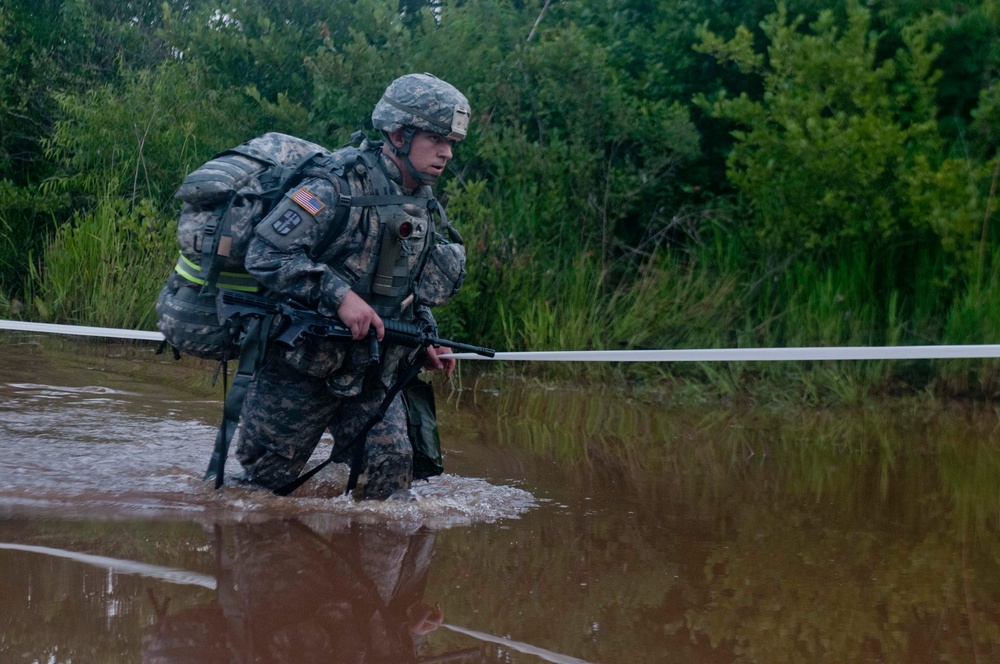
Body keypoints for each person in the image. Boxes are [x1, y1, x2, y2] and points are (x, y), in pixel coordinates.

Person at [232, 73, 471, 500]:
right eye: (436, 139)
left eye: (451, 142)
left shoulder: (421, 201)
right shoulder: (333, 186)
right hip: (301, 367)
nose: (447, 153)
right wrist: (339, 296)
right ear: (398, 134)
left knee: (393, 471)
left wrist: (424, 338)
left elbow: (404, 287)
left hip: (369, 371)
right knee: (259, 494)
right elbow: (266, 254)